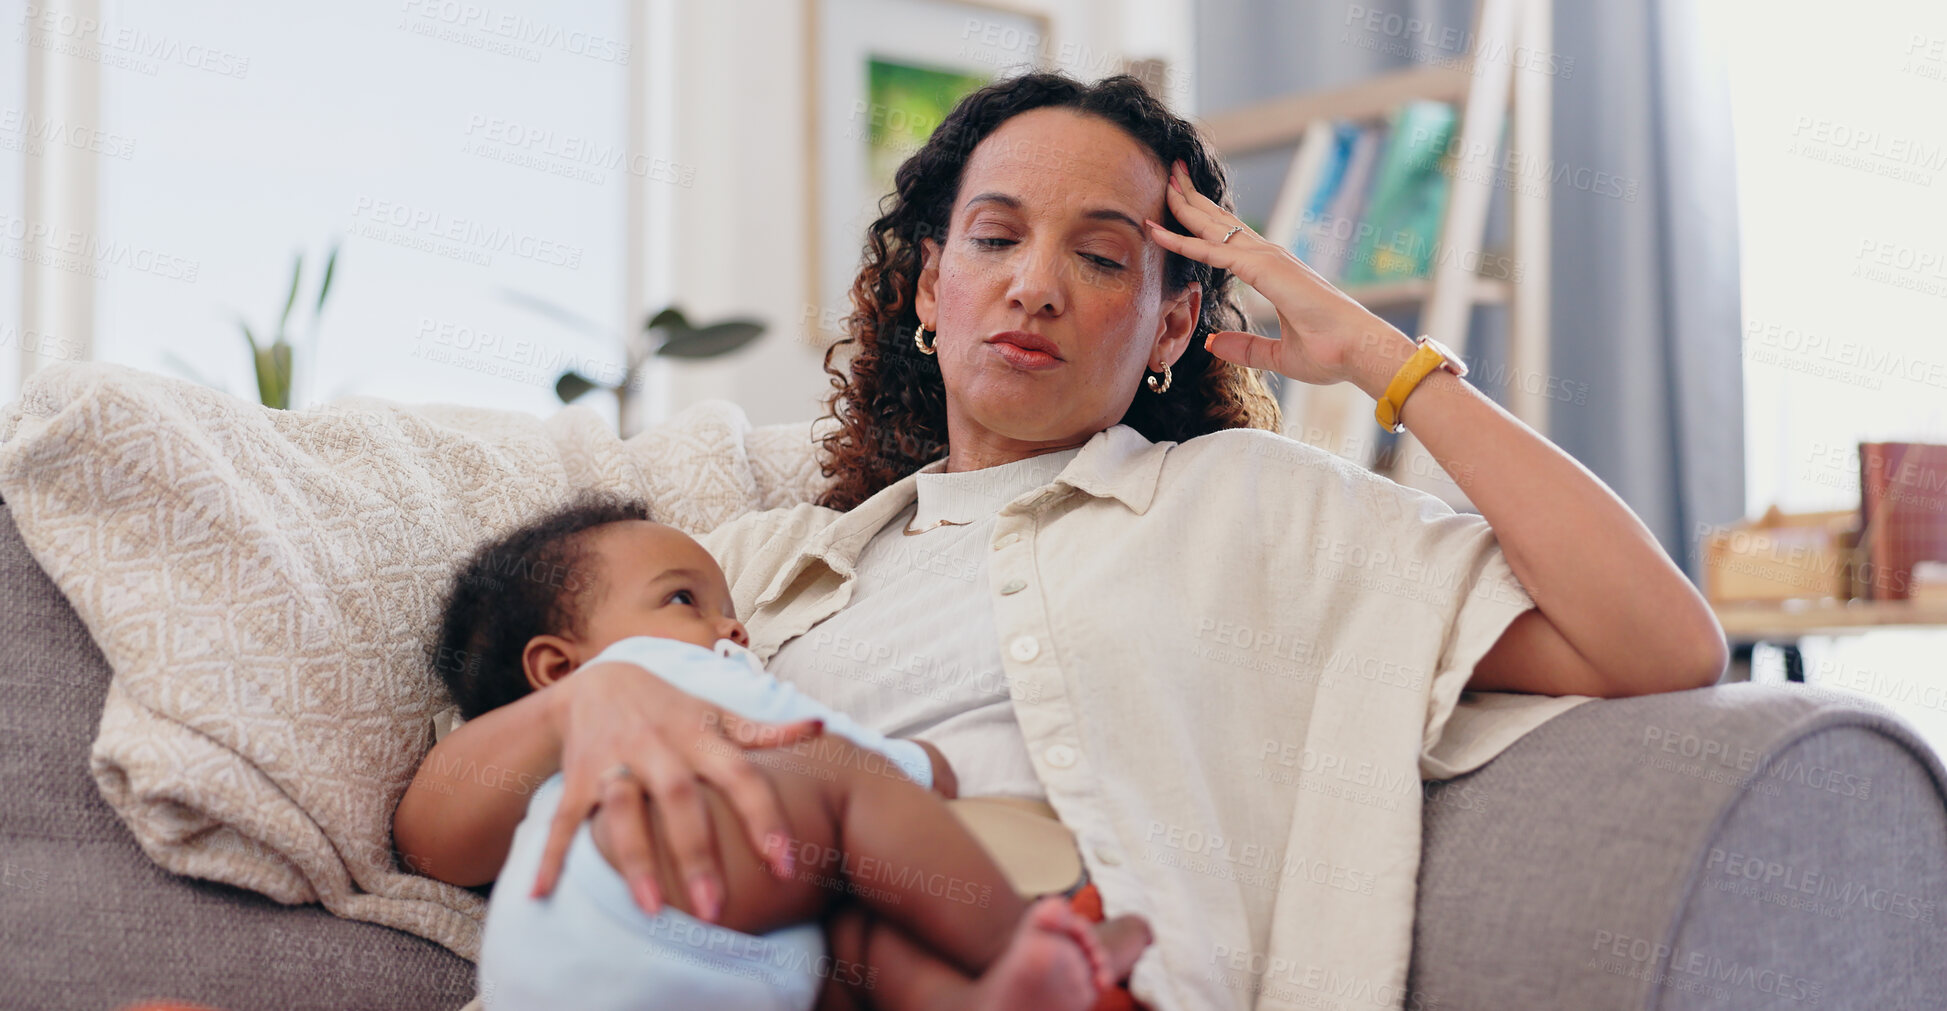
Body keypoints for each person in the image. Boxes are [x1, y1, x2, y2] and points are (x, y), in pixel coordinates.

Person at [396, 71, 1725, 1010]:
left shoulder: (1255, 504)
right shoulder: (758, 571)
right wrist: (608, 696)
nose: (1034, 282)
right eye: (993, 238)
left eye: (1101, 257)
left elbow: (1658, 642)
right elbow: (439, 827)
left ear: (1166, 328)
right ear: (930, 288)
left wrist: (1380, 360)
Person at [434, 497, 1152, 1010]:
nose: (731, 627)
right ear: (560, 667)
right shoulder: (654, 674)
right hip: (630, 890)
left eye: (727, 605)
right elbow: (822, 759)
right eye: (684, 598)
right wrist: (917, 765)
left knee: (855, 942)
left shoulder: (547, 760)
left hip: (581, 965)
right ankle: (1013, 946)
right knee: (838, 780)